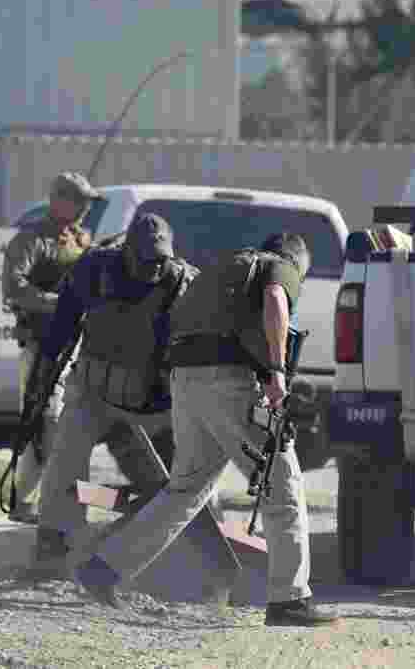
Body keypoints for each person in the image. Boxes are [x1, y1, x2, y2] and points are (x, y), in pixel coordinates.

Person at [70, 233, 341, 627]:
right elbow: (276, 302)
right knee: (282, 484)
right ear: (296, 259)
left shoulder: (224, 269)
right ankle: (289, 600)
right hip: (228, 380)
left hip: (186, 380)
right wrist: (277, 373)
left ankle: (103, 569)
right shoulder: (279, 265)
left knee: (185, 489)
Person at [26, 212, 199, 579]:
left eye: (161, 259)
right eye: (146, 258)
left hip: (154, 406)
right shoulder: (94, 270)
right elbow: (60, 329)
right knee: (65, 459)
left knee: (183, 478)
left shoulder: (183, 282)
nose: (154, 267)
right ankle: (54, 542)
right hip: (94, 394)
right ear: (127, 252)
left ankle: (182, 547)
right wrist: (42, 382)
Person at [1, 171, 98, 523]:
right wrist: (61, 303)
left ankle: (47, 501)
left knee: (62, 424)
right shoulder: (31, 240)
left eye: (88, 202)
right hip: (42, 345)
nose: (85, 209)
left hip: (76, 346)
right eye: (79, 201)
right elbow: (14, 289)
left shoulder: (82, 240)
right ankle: (24, 500)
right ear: (58, 200)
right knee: (42, 422)